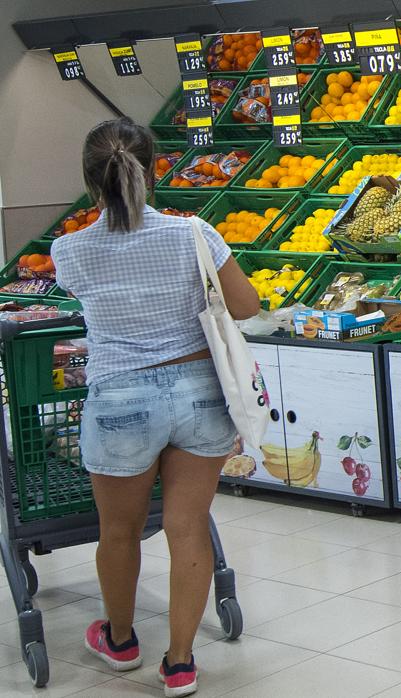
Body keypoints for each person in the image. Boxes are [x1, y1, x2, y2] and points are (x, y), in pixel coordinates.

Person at [50, 118, 259, 697]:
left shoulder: (68, 250)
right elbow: (245, 305)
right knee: (186, 526)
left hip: (120, 397)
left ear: (92, 183)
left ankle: (119, 642)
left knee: (118, 530)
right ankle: (181, 663)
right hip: (197, 389)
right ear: (156, 167)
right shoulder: (194, 233)